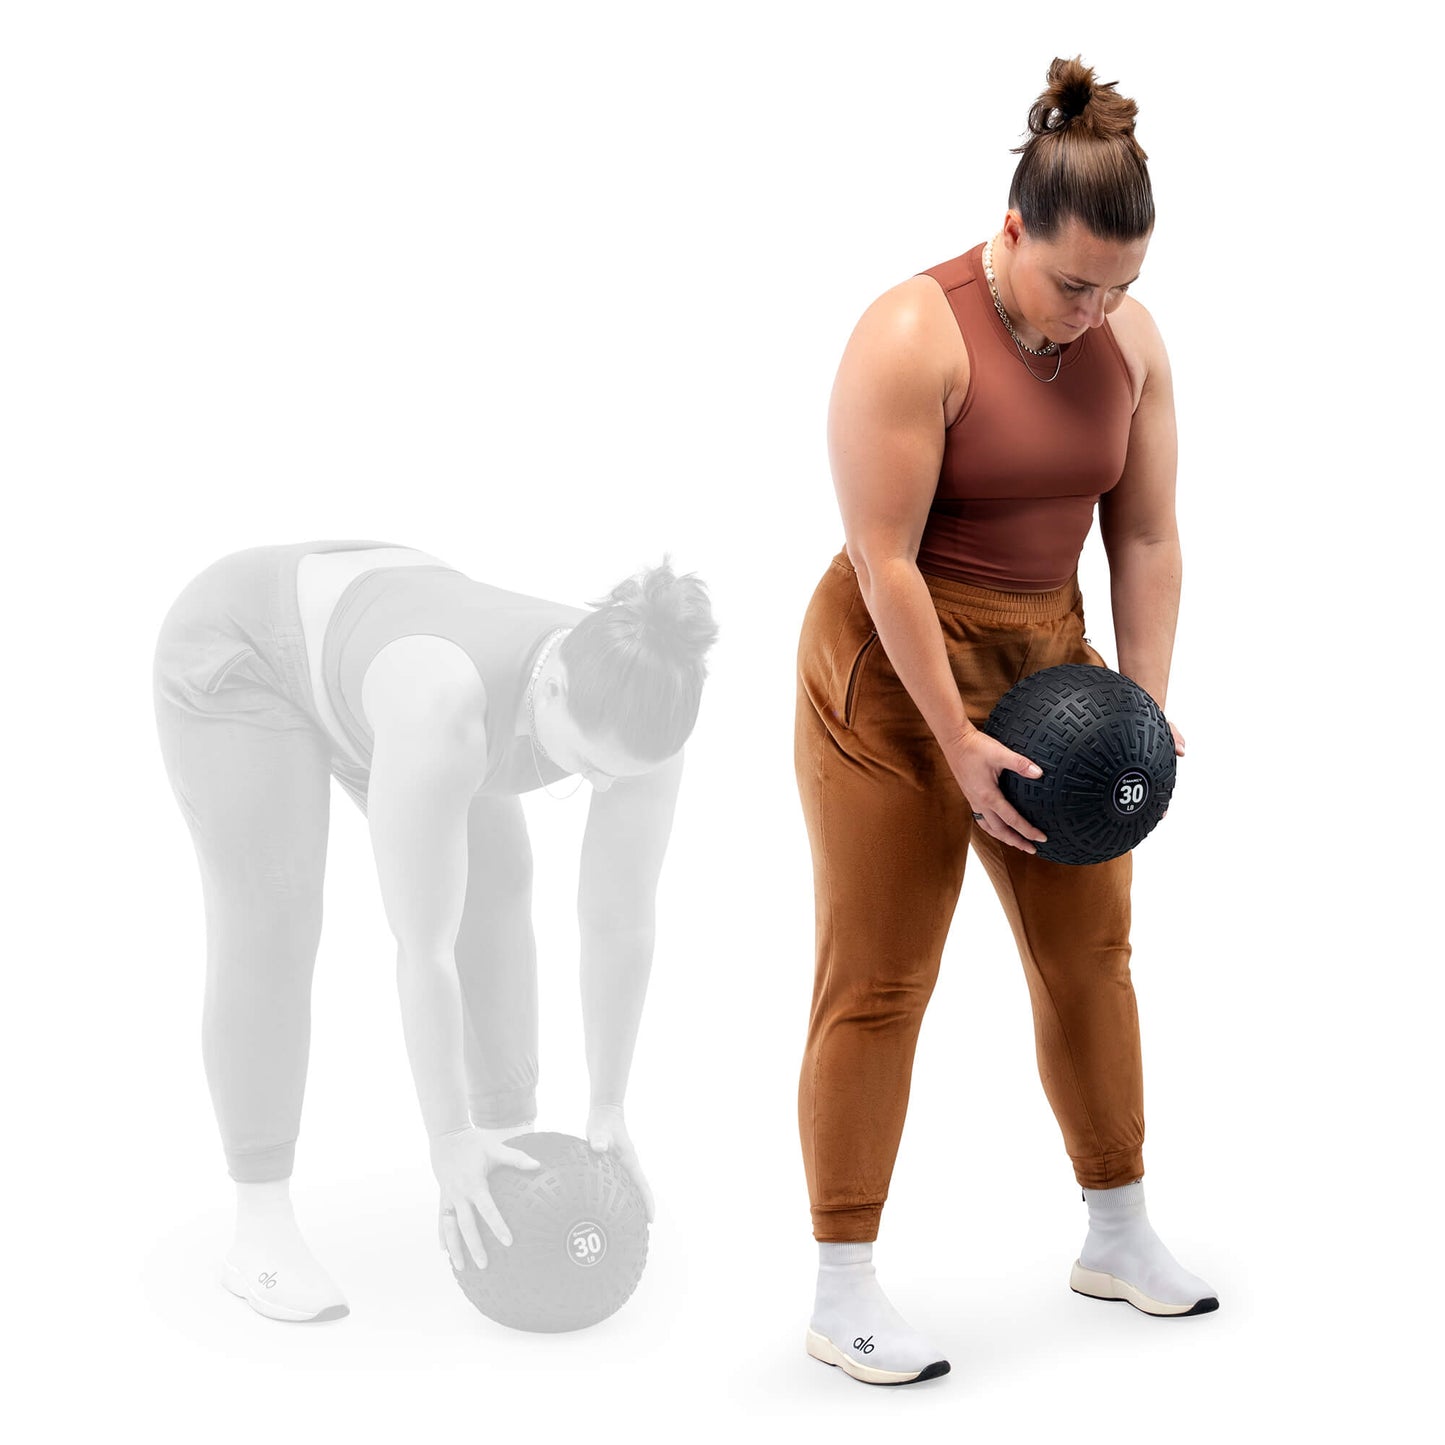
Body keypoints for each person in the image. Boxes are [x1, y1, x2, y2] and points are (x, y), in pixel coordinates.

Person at [793, 56, 1217, 1387]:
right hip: (891, 667)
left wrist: (1139, 703)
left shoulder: (1128, 346)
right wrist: (955, 742)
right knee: (880, 975)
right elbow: (885, 561)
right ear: (1013, 229)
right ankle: (842, 1289)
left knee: (1092, 954)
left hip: (1048, 661)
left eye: (1119, 288)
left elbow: (1143, 534)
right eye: (1073, 283)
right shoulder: (909, 334)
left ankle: (1117, 1229)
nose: (1095, 313)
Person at [152, 539, 717, 1322]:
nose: (603, 785)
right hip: (247, 650)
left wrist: (607, 1105)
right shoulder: (442, 709)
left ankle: (510, 1149)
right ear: (552, 686)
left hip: (376, 650)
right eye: (589, 765)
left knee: (495, 882)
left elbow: (619, 921)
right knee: (274, 912)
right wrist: (446, 1137)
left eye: (619, 773)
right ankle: (259, 1233)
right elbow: (423, 949)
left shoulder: (644, 702)